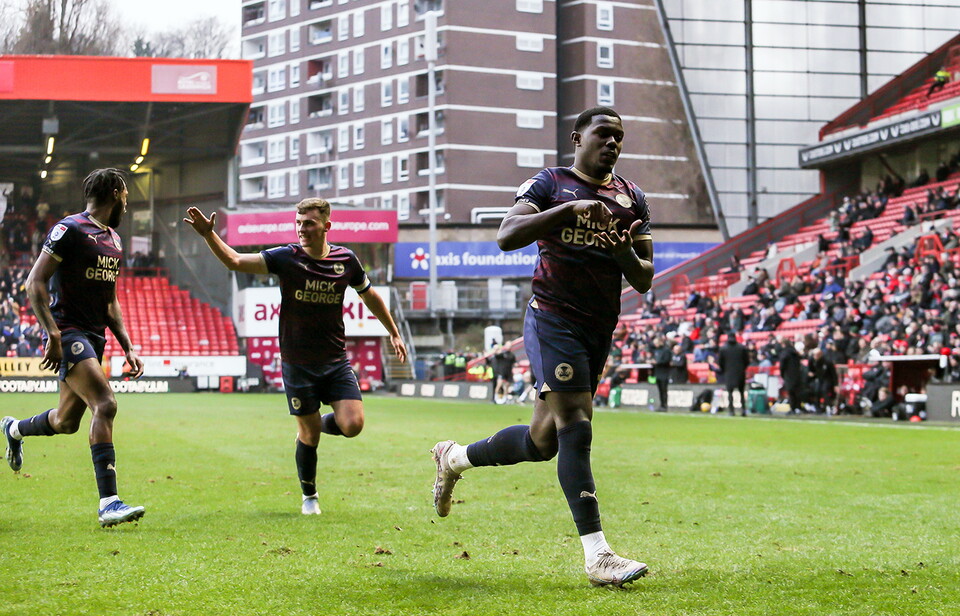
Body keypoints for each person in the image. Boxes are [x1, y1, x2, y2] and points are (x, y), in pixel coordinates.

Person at [429, 106, 654, 587]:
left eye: (619, 137)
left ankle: (453, 457)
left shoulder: (633, 197)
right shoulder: (550, 184)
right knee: (577, 423)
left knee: (542, 442)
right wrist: (566, 211)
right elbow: (506, 235)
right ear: (578, 138)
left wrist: (621, 253)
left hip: (598, 327)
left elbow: (645, 276)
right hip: (552, 318)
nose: (613, 143)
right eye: (604, 134)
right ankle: (598, 555)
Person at [183, 198, 406, 515]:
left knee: (353, 424)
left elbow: (369, 295)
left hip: (335, 360)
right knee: (309, 435)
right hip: (297, 363)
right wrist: (208, 235)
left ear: (326, 226)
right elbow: (234, 260)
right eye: (299, 223)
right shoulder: (286, 257)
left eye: (309, 223)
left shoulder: (346, 260)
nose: (302, 229)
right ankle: (309, 496)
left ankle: (316, 422)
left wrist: (393, 331)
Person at [2, 168, 146, 527]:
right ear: (116, 192)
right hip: (68, 332)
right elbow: (35, 282)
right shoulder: (69, 229)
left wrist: (127, 345)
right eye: (126, 193)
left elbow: (111, 301)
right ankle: (109, 503)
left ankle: (14, 429)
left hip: (94, 336)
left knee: (66, 422)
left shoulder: (113, 239)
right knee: (106, 404)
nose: (127, 200)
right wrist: (52, 334)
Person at [718, 334, 750, 416]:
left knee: (730, 393)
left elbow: (720, 362)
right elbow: (747, 361)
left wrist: (725, 369)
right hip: (740, 372)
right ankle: (743, 410)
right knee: (741, 392)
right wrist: (742, 368)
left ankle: (731, 411)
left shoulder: (723, 349)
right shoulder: (742, 348)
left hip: (728, 373)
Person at [651, 335, 672, 411]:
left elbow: (666, 360)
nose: (655, 345)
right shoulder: (657, 351)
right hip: (658, 373)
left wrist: (657, 362)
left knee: (664, 390)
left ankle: (664, 406)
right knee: (660, 390)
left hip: (664, 373)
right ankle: (661, 405)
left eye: (656, 343)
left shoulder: (666, 350)